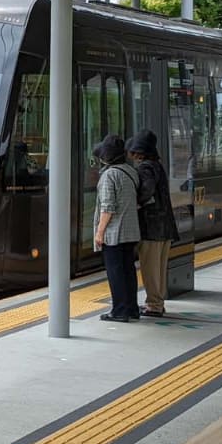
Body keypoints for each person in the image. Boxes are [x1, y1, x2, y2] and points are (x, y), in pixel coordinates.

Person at [128, 129, 178, 317]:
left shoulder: (145, 168)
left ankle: (154, 304)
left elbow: (146, 191)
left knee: (150, 268)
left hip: (151, 226)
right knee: (159, 267)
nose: (132, 156)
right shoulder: (158, 165)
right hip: (165, 224)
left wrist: (137, 202)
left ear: (139, 152)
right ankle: (158, 301)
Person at [92, 134, 141, 323]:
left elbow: (108, 207)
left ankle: (119, 310)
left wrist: (99, 232)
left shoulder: (109, 176)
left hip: (114, 233)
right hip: (130, 232)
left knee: (115, 272)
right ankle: (131, 308)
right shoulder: (130, 171)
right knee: (128, 271)